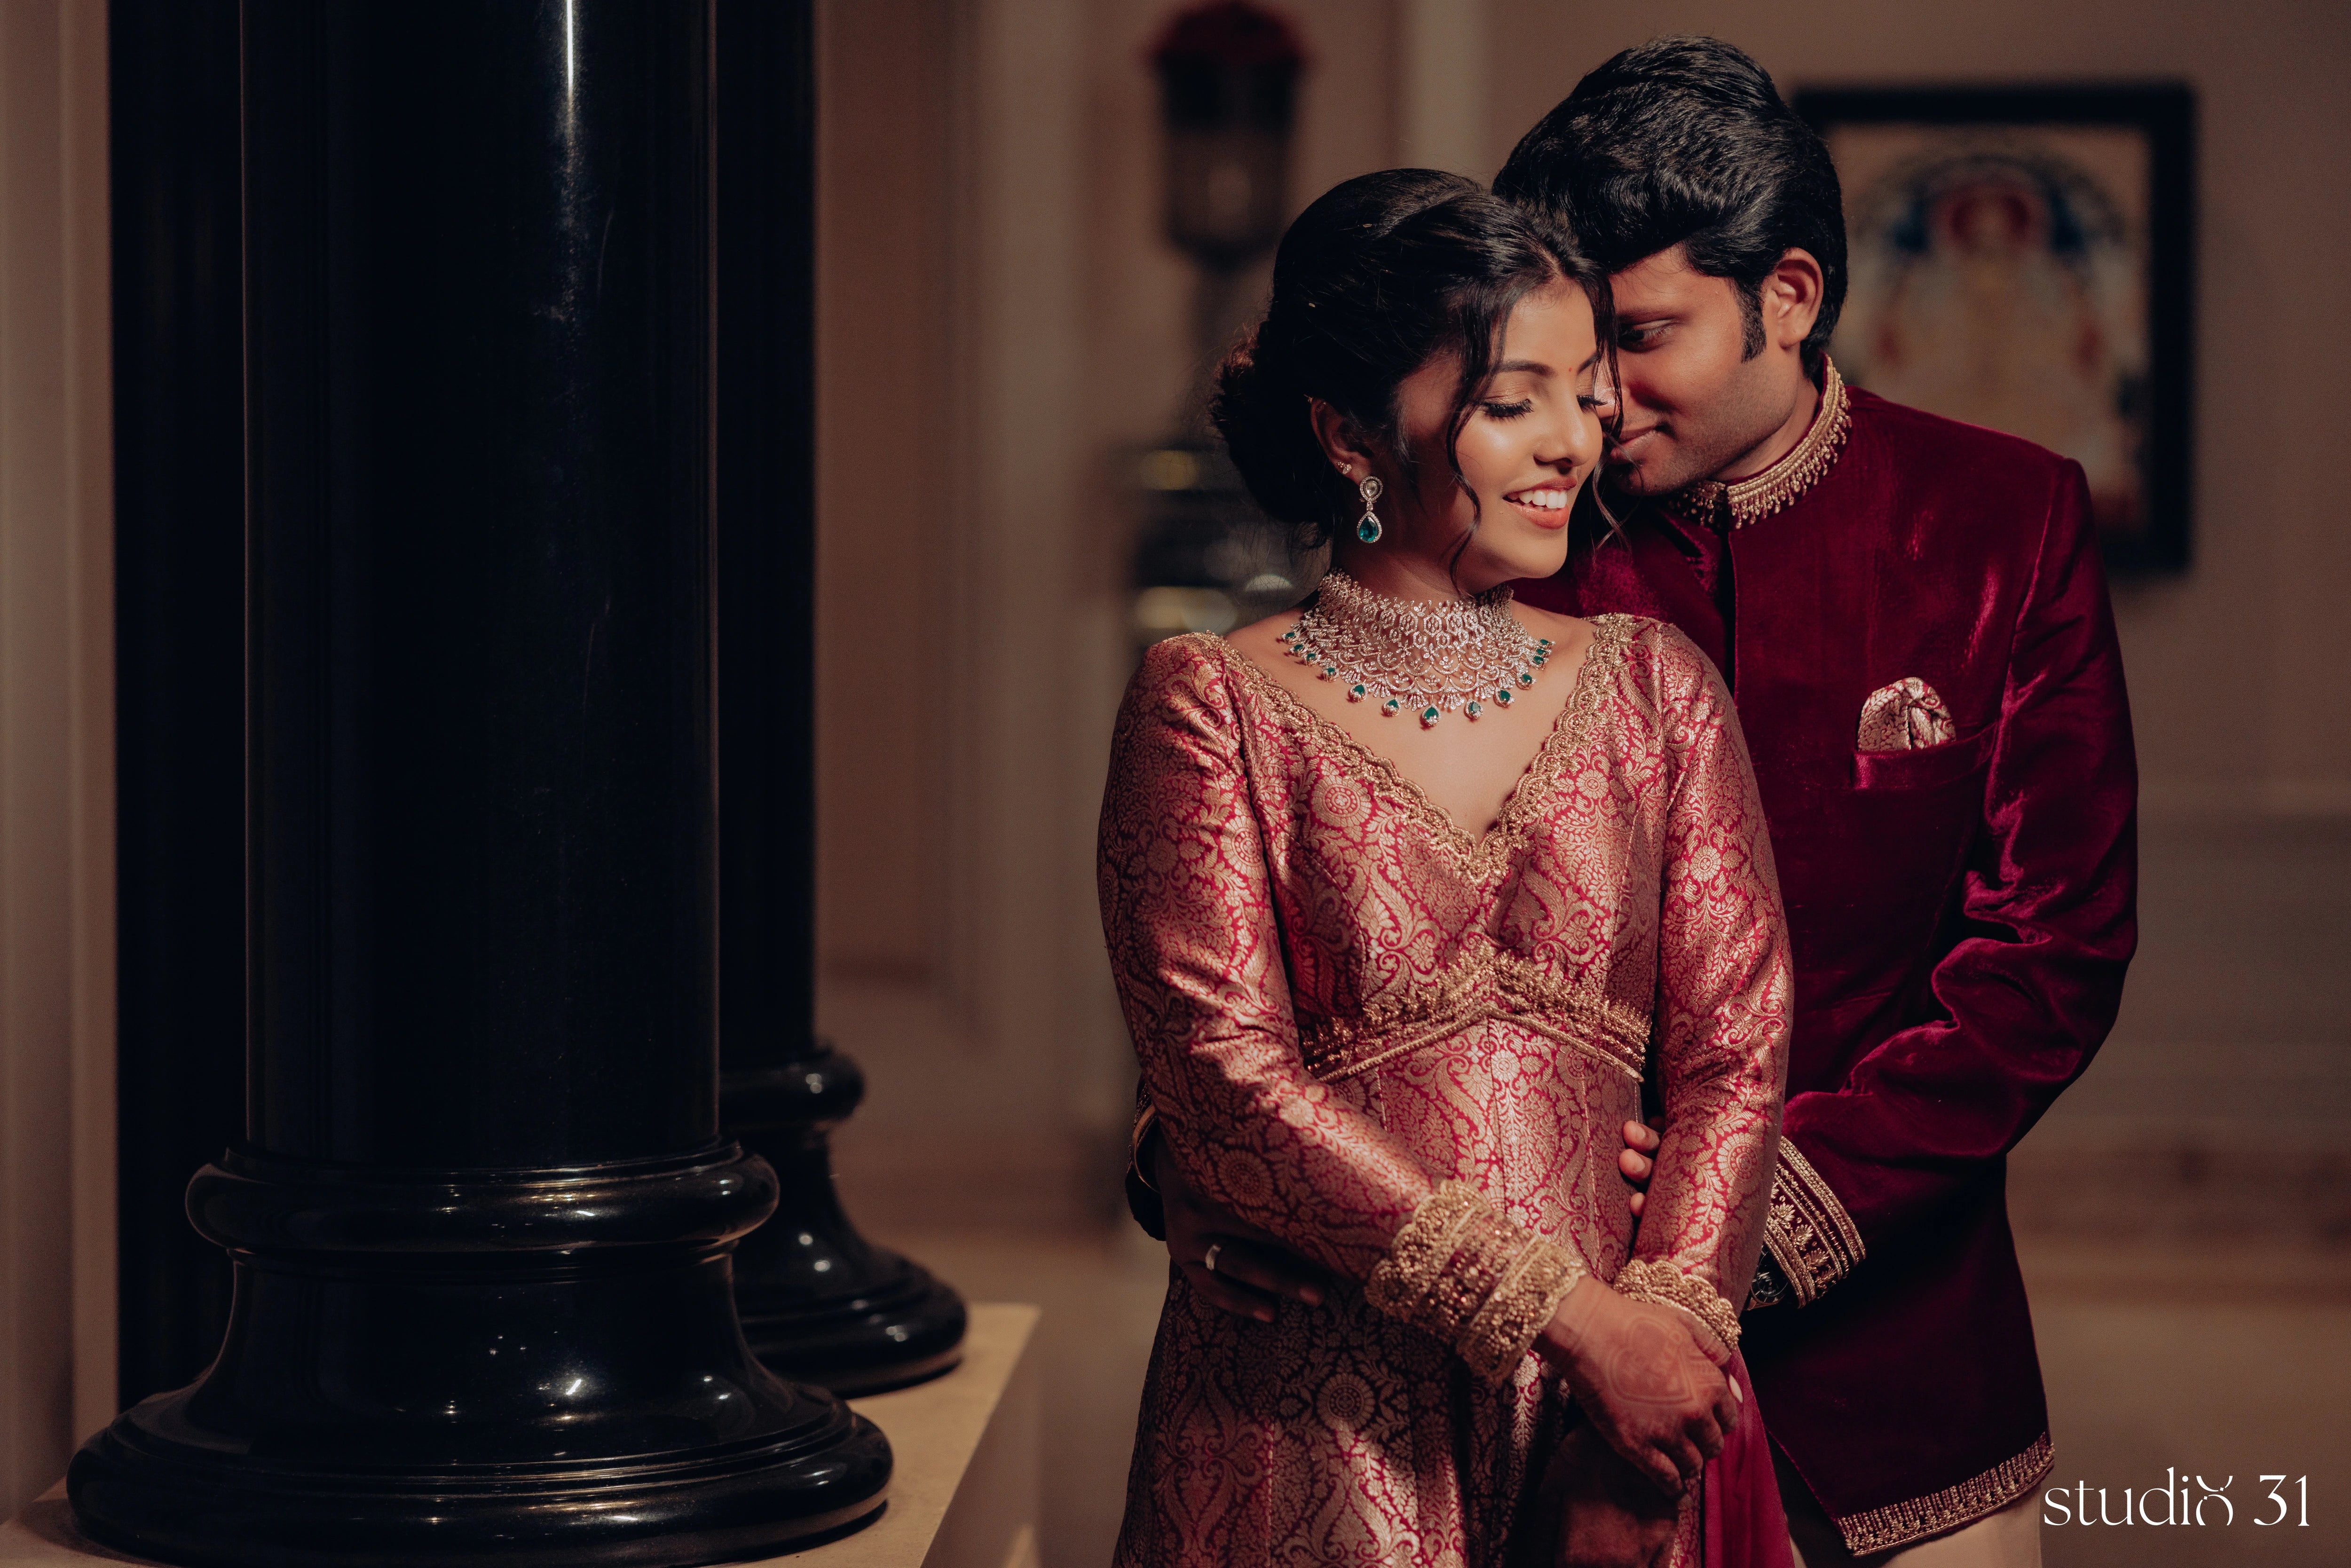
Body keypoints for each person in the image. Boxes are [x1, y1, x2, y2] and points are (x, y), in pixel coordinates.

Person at [1136, 37, 2138, 1568]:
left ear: (1789, 298)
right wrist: (1199, 1159)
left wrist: (1745, 1222)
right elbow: (1330, 880)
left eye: (1644, 336)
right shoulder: (1523, 534)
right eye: (1567, 354)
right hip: (1516, 1359)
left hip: (1894, 1351)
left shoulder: (2001, 524)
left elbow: (2048, 961)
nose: (1594, 403)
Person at [1100, 167, 1794, 1568]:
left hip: (1616, 1413)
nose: (1569, 444)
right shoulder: (1208, 704)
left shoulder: (1655, 686)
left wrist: (1655, 1358)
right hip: (1308, 1412)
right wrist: (1574, 1320)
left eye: (1582, 391)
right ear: (1352, 433)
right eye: (1507, 400)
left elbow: (1738, 1046)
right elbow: (1225, 1082)